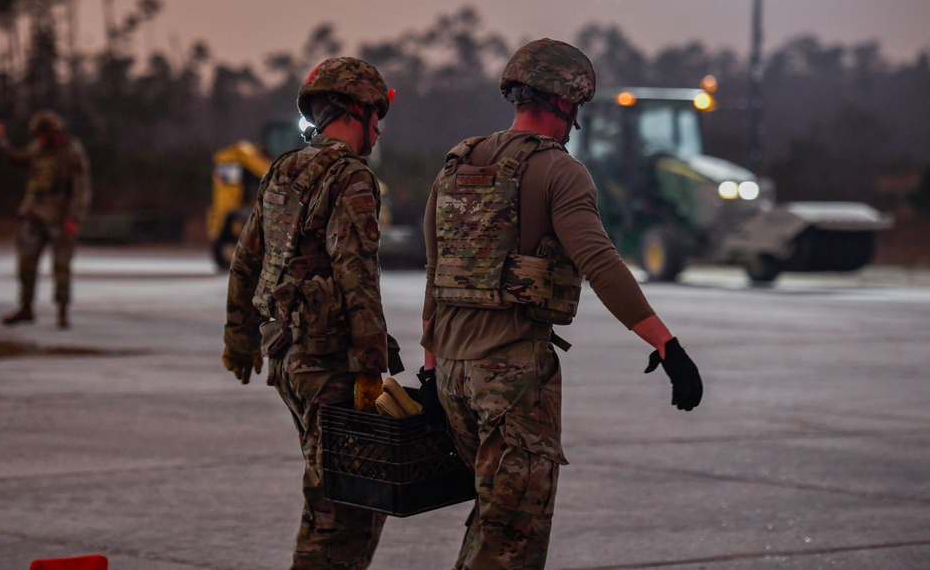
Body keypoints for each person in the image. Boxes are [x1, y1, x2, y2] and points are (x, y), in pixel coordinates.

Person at [419, 38, 703, 568]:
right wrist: (667, 345)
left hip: (453, 376)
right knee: (513, 543)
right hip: (511, 379)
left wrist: (432, 367)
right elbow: (601, 265)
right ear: (568, 103)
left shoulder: (456, 164)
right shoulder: (560, 172)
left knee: (491, 525)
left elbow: (437, 276)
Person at [222, 57, 402, 570]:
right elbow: (357, 275)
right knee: (343, 509)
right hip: (330, 367)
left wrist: (239, 340)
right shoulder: (352, 178)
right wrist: (370, 365)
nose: (379, 130)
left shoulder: (284, 168)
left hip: (287, 357)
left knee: (333, 491)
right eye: (376, 116)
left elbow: (246, 261)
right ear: (357, 111)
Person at [0, 110, 91, 329]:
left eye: (43, 134)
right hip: (33, 215)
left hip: (59, 218)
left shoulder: (71, 152)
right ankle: (26, 308)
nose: (40, 138)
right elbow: (14, 159)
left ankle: (62, 311)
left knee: (61, 266)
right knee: (26, 262)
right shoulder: (38, 149)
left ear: (54, 133)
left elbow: (81, 190)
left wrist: (73, 218)